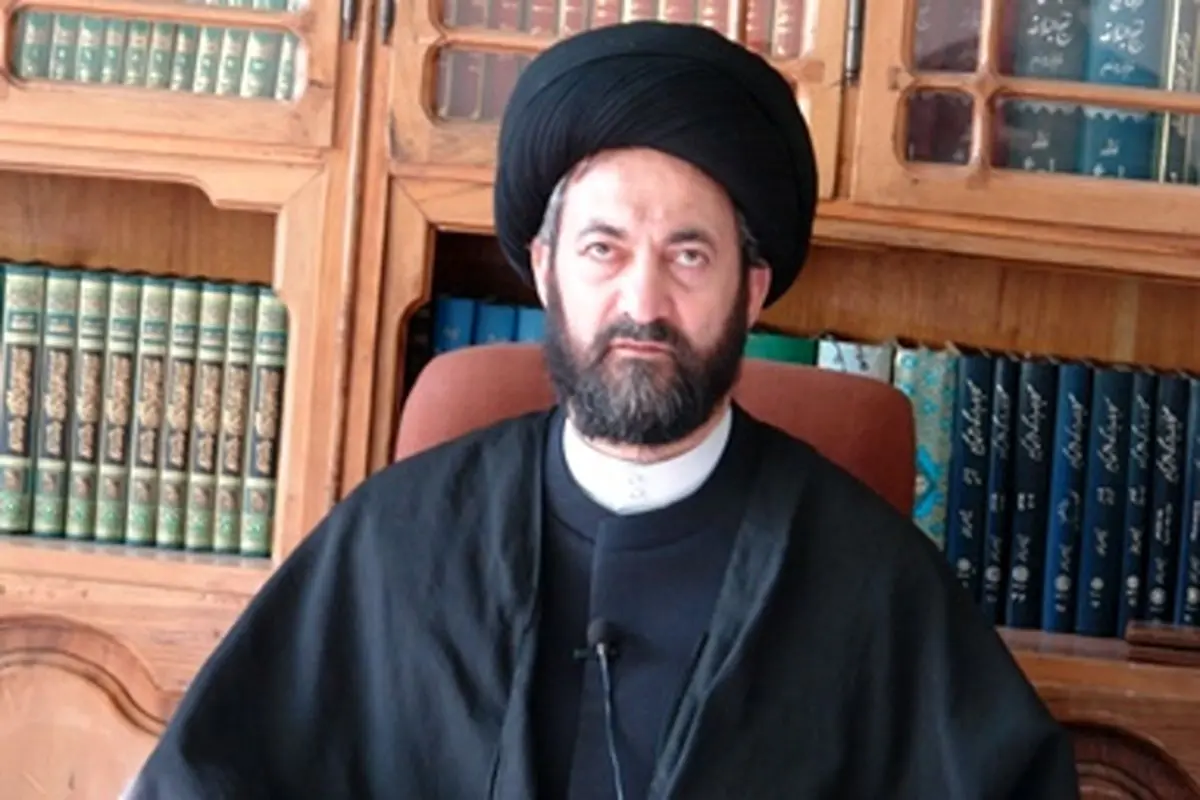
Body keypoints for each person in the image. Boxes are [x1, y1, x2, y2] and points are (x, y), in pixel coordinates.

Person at [126, 20, 1079, 800]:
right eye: (603, 249)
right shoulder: (397, 540)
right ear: (546, 271)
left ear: (751, 292)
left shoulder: (868, 578)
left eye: (688, 256)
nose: (643, 303)